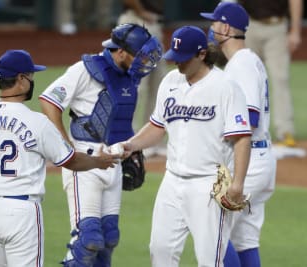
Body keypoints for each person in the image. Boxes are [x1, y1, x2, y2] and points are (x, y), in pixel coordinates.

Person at [0, 49, 119, 267]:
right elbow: (71, 161)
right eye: (31, 75)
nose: (33, 80)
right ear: (21, 79)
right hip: (20, 211)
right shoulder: (36, 122)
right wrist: (99, 161)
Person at [120, 25, 252, 267]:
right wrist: (131, 144)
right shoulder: (171, 81)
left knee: (209, 259)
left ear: (201, 55)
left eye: (183, 59)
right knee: (159, 251)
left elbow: (242, 137)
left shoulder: (225, 86)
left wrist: (238, 183)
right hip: (172, 182)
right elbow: (157, 126)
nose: (177, 64)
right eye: (175, 58)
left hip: (208, 184)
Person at [38, 23, 162, 266]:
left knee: (109, 238)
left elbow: (118, 120)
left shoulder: (129, 76)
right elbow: (49, 100)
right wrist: (66, 146)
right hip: (85, 162)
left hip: (113, 162)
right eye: (140, 55)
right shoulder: (85, 70)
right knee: (89, 239)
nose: (144, 62)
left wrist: (131, 149)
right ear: (121, 51)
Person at [200, 2, 277, 266]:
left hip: (250, 161)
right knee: (245, 239)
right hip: (261, 157)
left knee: (213, 233)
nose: (210, 28)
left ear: (224, 27)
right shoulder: (246, 60)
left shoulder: (241, 65)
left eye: (213, 23)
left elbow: (249, 120)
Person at [235, 0, 303, 147]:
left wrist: (296, 30)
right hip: (249, 25)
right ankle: (242, 128)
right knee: (246, 79)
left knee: (280, 79)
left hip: (277, 27)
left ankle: (285, 131)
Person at [117, 0, 168, 157]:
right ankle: (125, 139)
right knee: (134, 87)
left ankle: (151, 142)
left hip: (152, 24)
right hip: (136, 22)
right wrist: (141, 12)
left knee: (158, 86)